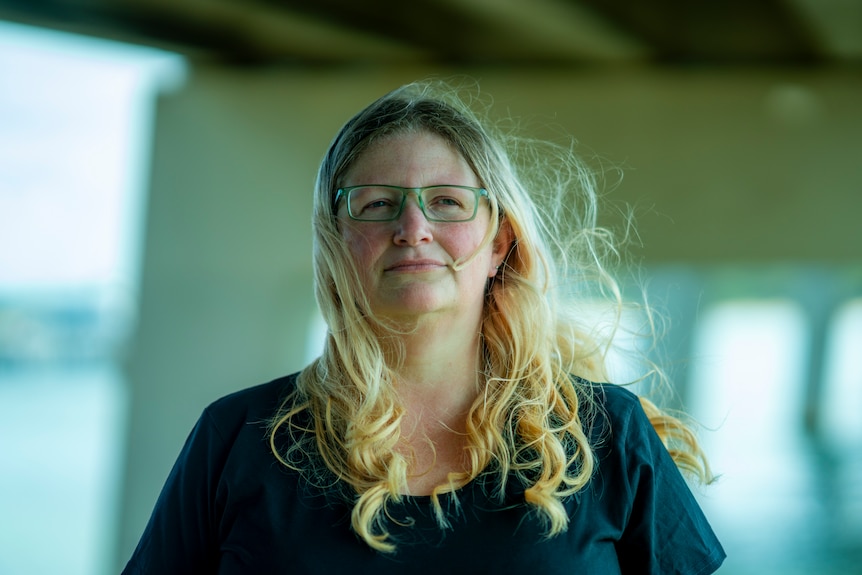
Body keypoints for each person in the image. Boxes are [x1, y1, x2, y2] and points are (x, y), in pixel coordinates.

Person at [122, 79, 725, 574]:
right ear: (336, 243)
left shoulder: (607, 437)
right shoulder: (236, 438)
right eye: (378, 204)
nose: (412, 227)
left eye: (447, 202)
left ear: (499, 244)